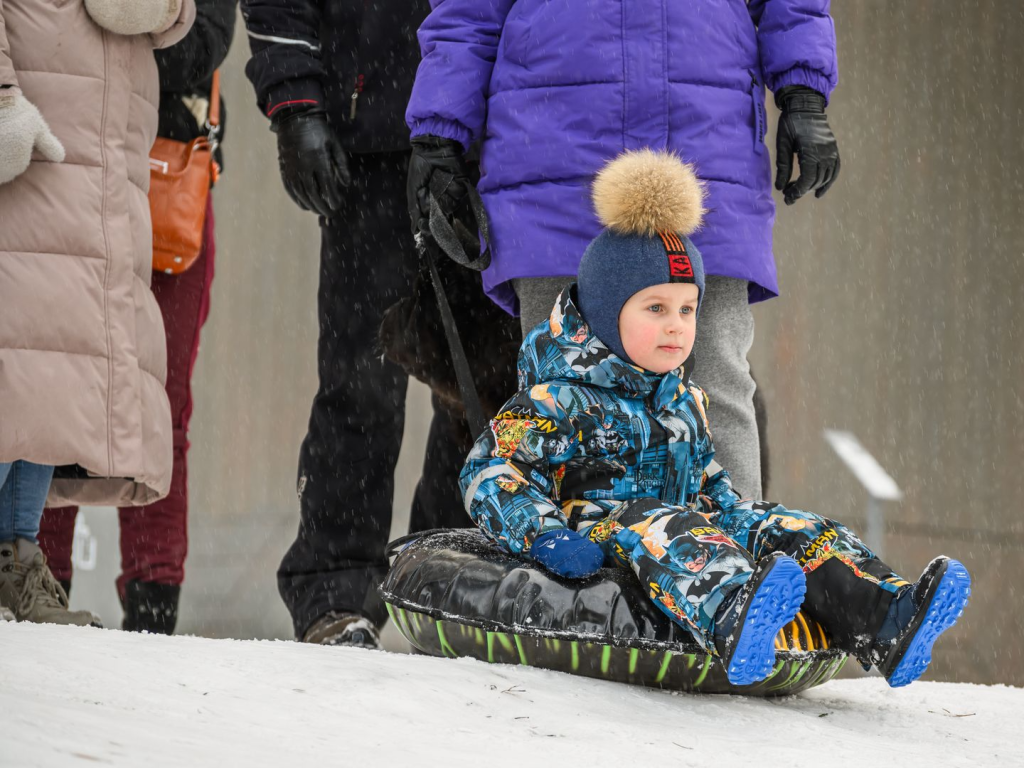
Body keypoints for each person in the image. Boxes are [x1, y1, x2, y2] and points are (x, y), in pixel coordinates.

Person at [458, 151, 970, 688]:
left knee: (786, 526)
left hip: (688, 521)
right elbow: (488, 472)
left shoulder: (683, 398)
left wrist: (746, 525)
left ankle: (887, 617)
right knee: (665, 526)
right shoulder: (554, 399)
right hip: (608, 534)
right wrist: (545, 535)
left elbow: (710, 482)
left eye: (687, 309)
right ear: (607, 315)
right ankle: (735, 617)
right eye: (655, 309)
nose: (677, 326)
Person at [406, 0, 843, 503]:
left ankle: (735, 564)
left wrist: (803, 89)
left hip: (700, 139)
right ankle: (569, 564)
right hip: (556, 148)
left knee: (714, 381)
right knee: (558, 392)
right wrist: (439, 129)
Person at [241, 0, 509, 648]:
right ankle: (335, 589)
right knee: (361, 383)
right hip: (372, 136)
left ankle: (446, 577)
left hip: (492, 141)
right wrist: (296, 104)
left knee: (490, 389)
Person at [36, 0, 237, 635]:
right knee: (56, 393)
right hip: (69, 180)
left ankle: (155, 605)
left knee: (163, 401)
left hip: (166, 189)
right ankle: (41, 583)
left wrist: (106, 30)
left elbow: (199, 50)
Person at [0, 0, 195, 623]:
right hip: (30, 118)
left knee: (48, 362)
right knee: (15, 353)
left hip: (100, 147)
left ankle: (16, 556)